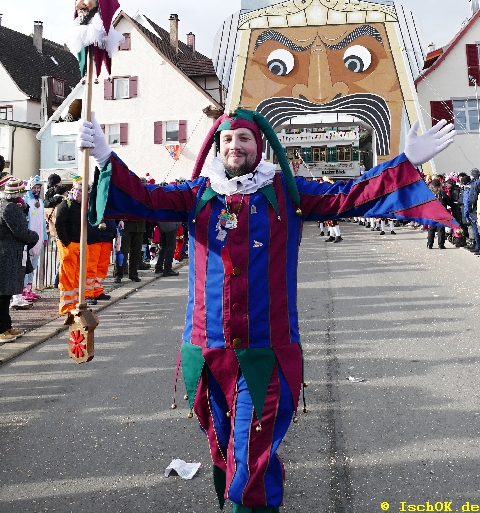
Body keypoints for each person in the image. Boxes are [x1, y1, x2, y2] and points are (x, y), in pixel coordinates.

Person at [80, 110, 455, 513]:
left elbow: (348, 195)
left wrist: (405, 162)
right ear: (217, 146)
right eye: (227, 139)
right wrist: (104, 156)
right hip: (205, 352)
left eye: (244, 138)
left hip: (266, 353)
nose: (235, 146)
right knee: (224, 449)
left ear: (259, 146)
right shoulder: (198, 193)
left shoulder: (285, 192)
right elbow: (145, 198)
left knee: (249, 457)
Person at [0, 179, 39, 341]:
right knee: (3, 295)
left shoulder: (5, 205)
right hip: (8, 255)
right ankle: (2, 330)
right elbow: (21, 232)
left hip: (6, 254)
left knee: (5, 295)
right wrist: (35, 236)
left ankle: (6, 327)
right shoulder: (10, 208)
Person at [55, 177, 83, 314]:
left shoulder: (82, 206)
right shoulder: (66, 204)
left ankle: (75, 303)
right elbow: (59, 224)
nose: (77, 193)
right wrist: (66, 242)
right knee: (67, 277)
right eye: (76, 190)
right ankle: (66, 306)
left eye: (81, 191)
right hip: (69, 245)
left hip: (79, 244)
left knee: (77, 277)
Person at [21, 176, 47, 300]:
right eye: (34, 188)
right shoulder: (25, 201)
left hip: (39, 237)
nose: (36, 190)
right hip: (29, 238)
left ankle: (29, 288)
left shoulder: (40, 202)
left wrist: (45, 236)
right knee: (26, 264)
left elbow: (43, 221)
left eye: (38, 188)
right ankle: (23, 290)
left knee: (34, 264)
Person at [86, 217, 116, 305]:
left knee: (102, 268)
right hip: (93, 237)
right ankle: (87, 294)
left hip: (107, 237)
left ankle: (97, 291)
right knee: (90, 267)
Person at [427, 179, 451, 249]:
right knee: (441, 228)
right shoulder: (441, 193)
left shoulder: (430, 193)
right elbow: (448, 201)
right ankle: (441, 244)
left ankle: (429, 244)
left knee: (432, 228)